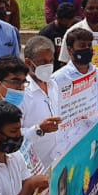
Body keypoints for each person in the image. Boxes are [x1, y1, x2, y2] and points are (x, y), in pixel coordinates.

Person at [52, 28, 98, 150]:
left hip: (93, 140)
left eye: (89, 45)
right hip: (69, 146)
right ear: (70, 50)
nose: (87, 49)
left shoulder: (96, 73)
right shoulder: (58, 79)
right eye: (82, 46)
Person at [20, 37, 64, 165]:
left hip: (57, 162)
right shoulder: (21, 94)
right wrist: (39, 130)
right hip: (34, 167)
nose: (49, 66)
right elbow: (12, 135)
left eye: (51, 61)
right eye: (43, 62)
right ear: (28, 63)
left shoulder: (53, 85)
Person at [37, 1, 77, 71]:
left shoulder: (77, 28)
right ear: (57, 18)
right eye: (65, 22)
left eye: (71, 21)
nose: (69, 24)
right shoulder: (46, 33)